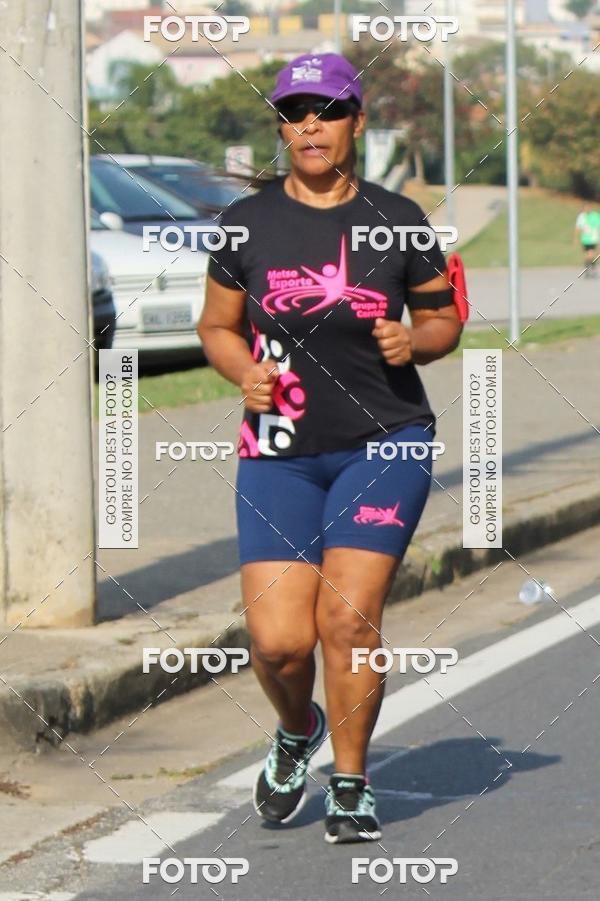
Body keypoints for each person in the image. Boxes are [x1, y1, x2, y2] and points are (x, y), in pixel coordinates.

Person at [198, 52, 463, 844]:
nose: (310, 125)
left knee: (347, 619)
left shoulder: (398, 218)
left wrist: (415, 341)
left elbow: (443, 319)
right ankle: (297, 728)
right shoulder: (246, 223)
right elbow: (215, 326)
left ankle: (350, 782)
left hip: (384, 441)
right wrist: (243, 370)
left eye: (328, 109)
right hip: (280, 446)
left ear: (357, 120)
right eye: (294, 112)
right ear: (281, 128)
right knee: (279, 642)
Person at [574, 202, 600, 276]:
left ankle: (590, 269)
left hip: (593, 239)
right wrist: (576, 238)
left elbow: (598, 226)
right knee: (587, 255)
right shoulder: (581, 216)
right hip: (585, 239)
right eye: (585, 208)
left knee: (591, 254)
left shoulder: (595, 215)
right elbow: (578, 228)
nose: (587, 209)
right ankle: (589, 269)